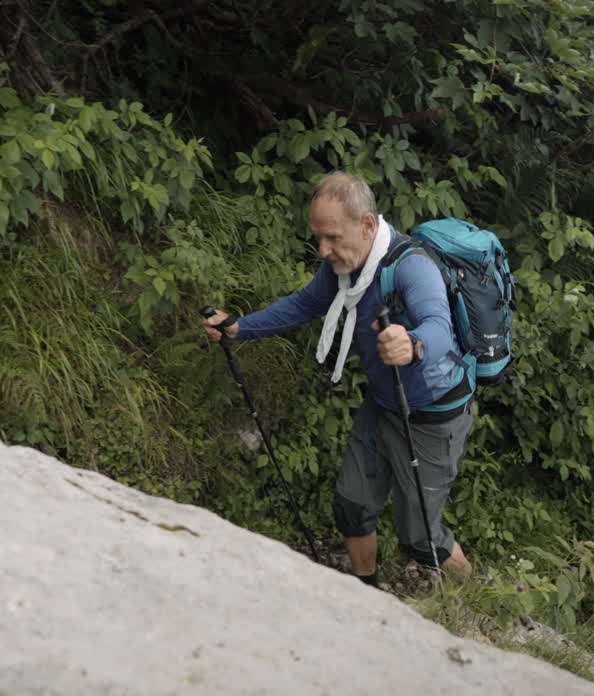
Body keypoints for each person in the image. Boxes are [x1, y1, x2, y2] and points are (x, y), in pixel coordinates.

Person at [202, 171, 475, 587]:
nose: (322, 250)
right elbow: (305, 303)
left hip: (431, 415)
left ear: (366, 224)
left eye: (331, 237)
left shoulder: (411, 267)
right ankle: (364, 595)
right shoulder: (343, 268)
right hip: (384, 403)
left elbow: (438, 325)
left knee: (423, 539)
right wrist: (242, 328)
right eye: (318, 238)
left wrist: (413, 344)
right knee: (351, 506)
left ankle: (478, 594)